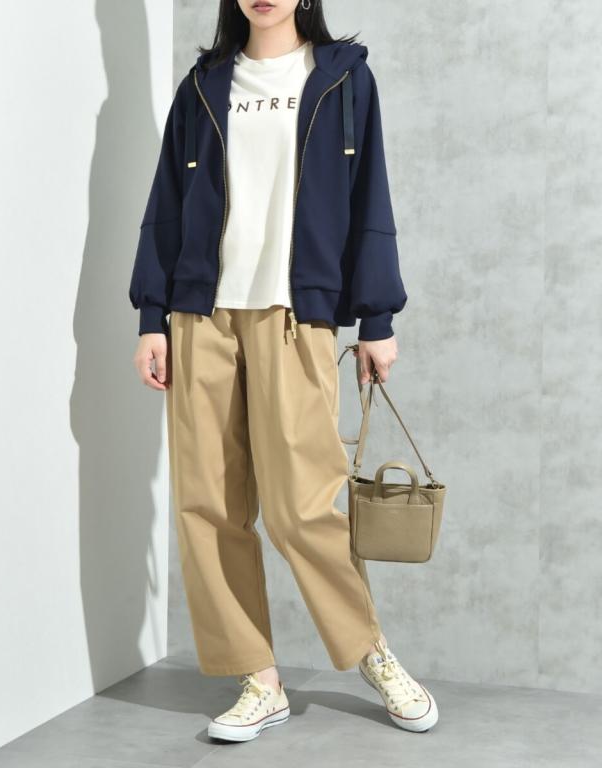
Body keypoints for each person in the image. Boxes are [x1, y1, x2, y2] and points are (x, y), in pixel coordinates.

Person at [128, 0, 438, 742]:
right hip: (200, 314)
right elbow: (167, 202)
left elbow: (369, 198)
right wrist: (152, 317)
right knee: (207, 505)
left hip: (297, 313)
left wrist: (377, 318)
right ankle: (257, 678)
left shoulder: (343, 79)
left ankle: (370, 649)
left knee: (303, 508)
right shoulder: (204, 84)